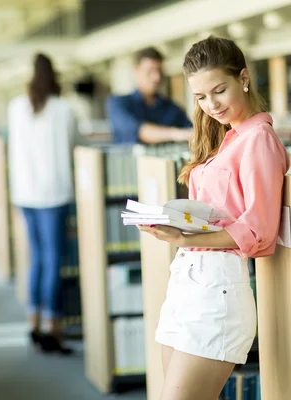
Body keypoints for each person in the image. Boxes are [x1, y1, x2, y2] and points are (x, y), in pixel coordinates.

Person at [138, 36, 289, 399]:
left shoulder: (259, 140)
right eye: (201, 97)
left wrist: (187, 238)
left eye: (219, 90)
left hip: (217, 291)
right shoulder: (227, 139)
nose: (211, 105)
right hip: (186, 284)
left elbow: (260, 232)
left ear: (244, 78)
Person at [8, 53, 78, 355]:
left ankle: (33, 322)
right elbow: (77, 144)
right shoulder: (63, 109)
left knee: (36, 259)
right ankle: (53, 329)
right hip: (54, 194)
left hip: (25, 193)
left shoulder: (16, 107)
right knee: (53, 261)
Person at [107, 46, 194, 144]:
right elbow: (139, 131)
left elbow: (192, 132)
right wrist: (176, 134)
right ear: (136, 71)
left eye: (159, 71)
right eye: (150, 71)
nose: (156, 77)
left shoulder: (172, 108)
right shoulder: (118, 104)